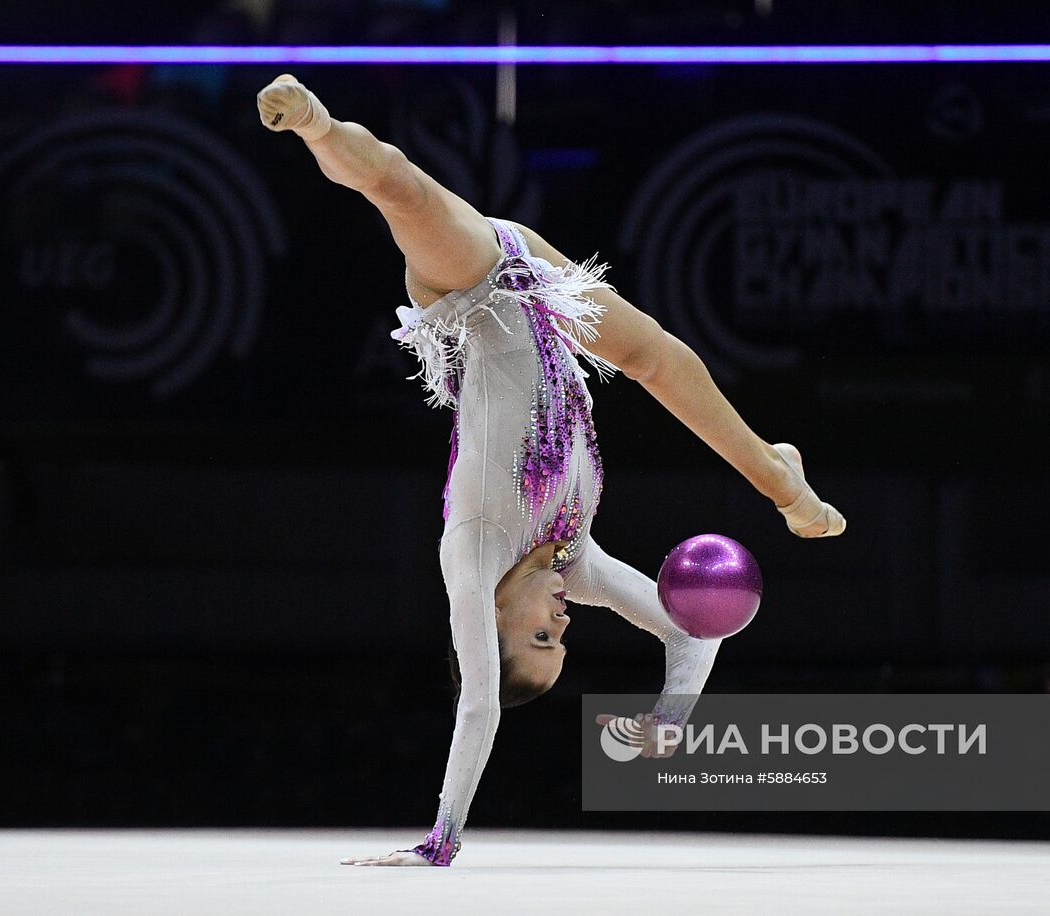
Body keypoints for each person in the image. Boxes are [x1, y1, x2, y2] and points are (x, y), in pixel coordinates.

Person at [256, 74, 846, 866]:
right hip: (540, 293)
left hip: (471, 290)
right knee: (655, 357)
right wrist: (671, 719)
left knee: (405, 194)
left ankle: (317, 125)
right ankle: (780, 477)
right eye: (562, 639)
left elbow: (479, 704)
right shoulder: (577, 564)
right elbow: (691, 631)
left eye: (542, 634)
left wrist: (444, 838)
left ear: (493, 620)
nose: (565, 621)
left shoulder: (473, 554)